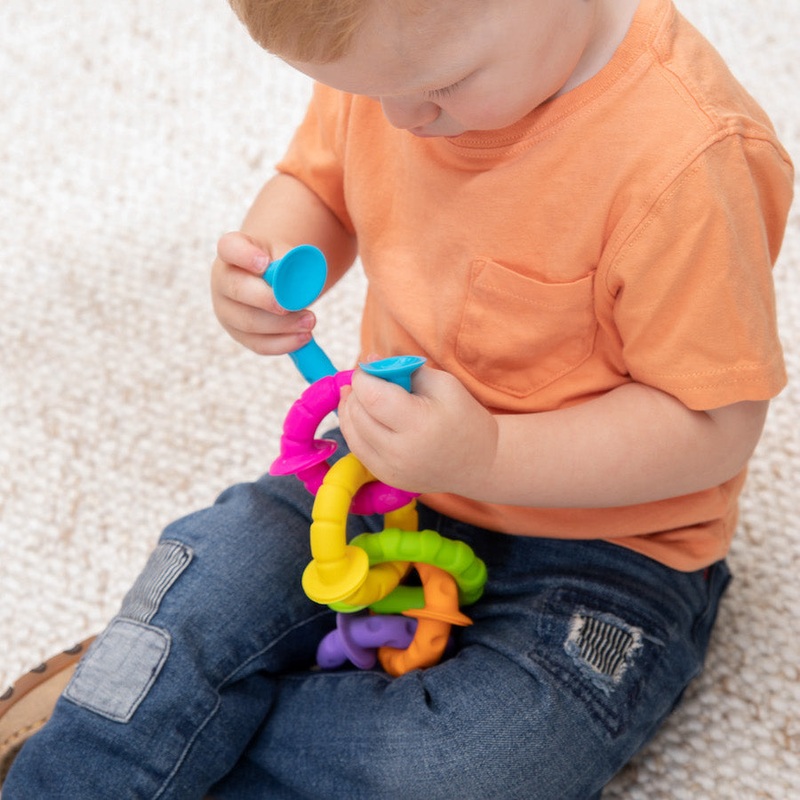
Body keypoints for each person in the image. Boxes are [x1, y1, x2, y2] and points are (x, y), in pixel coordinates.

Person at [1, 0, 793, 797]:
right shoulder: (397, 59)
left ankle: (154, 712)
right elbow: (317, 184)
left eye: (443, 88)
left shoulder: (688, 158)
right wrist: (263, 265)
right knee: (214, 572)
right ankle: (114, 740)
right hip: (380, 467)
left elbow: (713, 425)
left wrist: (488, 455)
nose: (401, 120)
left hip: (608, 547)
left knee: (467, 764)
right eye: (370, 92)